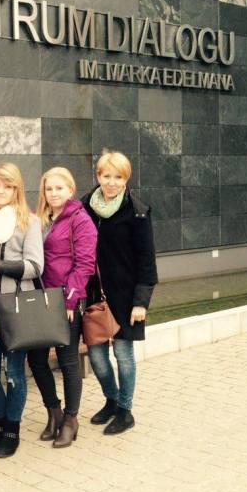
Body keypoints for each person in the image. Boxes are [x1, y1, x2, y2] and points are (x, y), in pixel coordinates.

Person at [82, 151, 158, 435]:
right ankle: (111, 400)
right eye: (106, 176)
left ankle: (125, 411)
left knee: (123, 355)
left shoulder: (137, 212)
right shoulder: (85, 207)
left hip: (127, 298)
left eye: (118, 177)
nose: (111, 182)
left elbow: (147, 262)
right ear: (98, 176)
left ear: (126, 179)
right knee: (97, 358)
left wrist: (141, 302)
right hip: (96, 296)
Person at [0, 163, 43, 458]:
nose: (0, 190)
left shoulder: (29, 221)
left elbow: (35, 266)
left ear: (17, 189)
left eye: (8, 185)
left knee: (14, 374)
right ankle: (0, 423)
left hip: (15, 310)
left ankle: (12, 429)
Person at [28, 167, 97, 447]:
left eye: (59, 188)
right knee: (36, 359)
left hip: (66, 300)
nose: (54, 193)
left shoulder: (80, 220)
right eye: (49, 188)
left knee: (68, 361)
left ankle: (71, 419)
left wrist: (70, 300)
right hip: (40, 298)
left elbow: (85, 264)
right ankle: (54, 412)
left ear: (70, 190)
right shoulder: (40, 219)